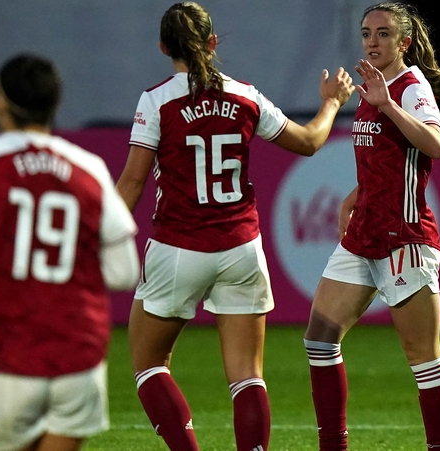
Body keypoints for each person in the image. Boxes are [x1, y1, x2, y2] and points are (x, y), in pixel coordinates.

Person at [114, 3, 355, 450]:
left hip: (177, 248)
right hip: (241, 248)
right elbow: (307, 142)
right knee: (247, 377)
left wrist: (98, 236)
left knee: (150, 365)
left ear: (165, 47)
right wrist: (332, 102)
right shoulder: (244, 95)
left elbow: (132, 180)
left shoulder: (157, 101)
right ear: (212, 42)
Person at [302, 3, 440, 451]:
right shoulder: (374, 87)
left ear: (404, 42)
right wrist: (353, 197)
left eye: (383, 34)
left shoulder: (410, 89)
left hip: (404, 238)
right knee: (319, 340)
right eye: (366, 34)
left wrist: (389, 106)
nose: (373, 41)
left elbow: (436, 145)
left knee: (423, 359)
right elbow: (385, 159)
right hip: (364, 235)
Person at [0, 53, 140, 451]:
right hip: (80, 355)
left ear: (1, 102)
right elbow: (123, 272)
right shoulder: (89, 167)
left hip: (7, 347)